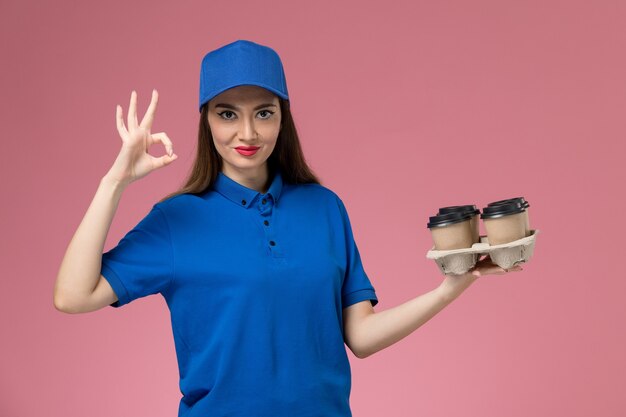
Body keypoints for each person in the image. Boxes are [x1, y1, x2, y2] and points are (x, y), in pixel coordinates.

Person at [54, 39, 523, 416]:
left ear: (283, 117)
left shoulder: (324, 208)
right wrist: (114, 182)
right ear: (206, 122)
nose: (248, 134)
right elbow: (73, 296)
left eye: (263, 112)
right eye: (227, 113)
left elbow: (359, 338)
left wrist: (450, 287)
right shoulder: (177, 220)